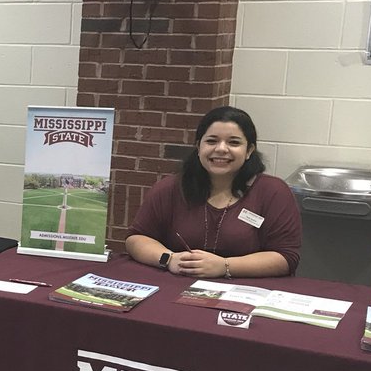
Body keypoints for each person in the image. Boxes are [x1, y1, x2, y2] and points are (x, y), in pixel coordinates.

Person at [126, 106, 301, 278]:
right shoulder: (170, 188)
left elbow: (286, 257)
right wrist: (169, 259)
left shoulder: (273, 192)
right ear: (198, 147)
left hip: (247, 294)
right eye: (211, 141)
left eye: (234, 142)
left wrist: (224, 266)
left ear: (249, 151)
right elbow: (137, 238)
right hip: (177, 288)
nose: (221, 149)